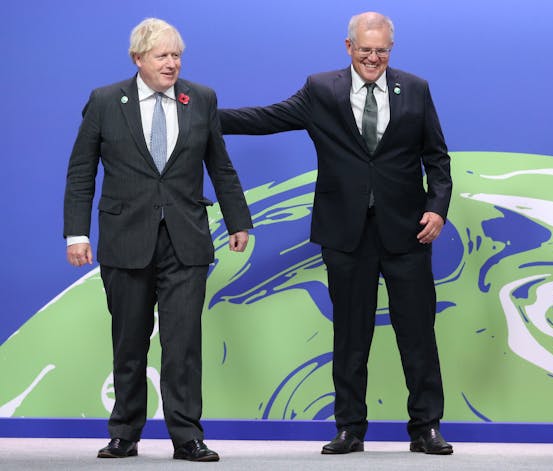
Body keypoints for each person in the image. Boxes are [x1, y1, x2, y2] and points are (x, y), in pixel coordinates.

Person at [220, 11, 453, 455]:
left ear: (391, 49)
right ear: (348, 47)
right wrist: (202, 113)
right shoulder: (320, 90)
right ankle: (350, 428)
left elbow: (437, 159)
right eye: (365, 50)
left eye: (381, 51)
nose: (373, 58)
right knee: (349, 334)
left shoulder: (416, 89)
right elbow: (267, 117)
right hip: (345, 235)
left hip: (408, 233)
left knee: (418, 332)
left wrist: (436, 210)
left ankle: (426, 428)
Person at [63, 18, 252, 462]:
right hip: (125, 238)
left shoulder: (200, 98)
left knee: (183, 343)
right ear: (138, 59)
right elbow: (81, 172)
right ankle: (124, 433)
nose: (172, 64)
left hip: (185, 240)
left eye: (177, 55)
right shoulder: (106, 101)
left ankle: (187, 437)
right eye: (162, 56)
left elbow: (219, 166)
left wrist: (238, 219)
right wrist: (76, 232)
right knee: (129, 341)